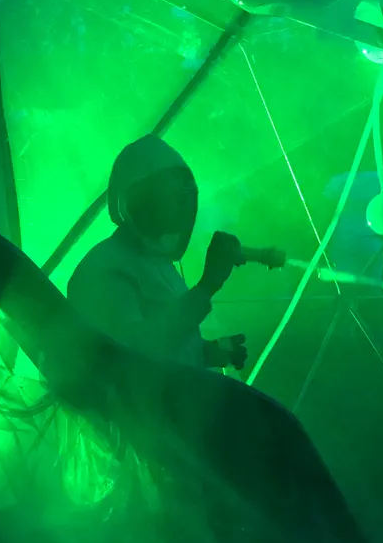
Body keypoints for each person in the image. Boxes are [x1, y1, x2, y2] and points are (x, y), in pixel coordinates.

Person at [66, 135, 260, 371]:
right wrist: (207, 285)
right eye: (169, 194)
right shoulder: (103, 267)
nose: (180, 208)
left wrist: (207, 352)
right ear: (136, 200)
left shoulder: (160, 266)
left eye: (184, 196)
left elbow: (168, 344)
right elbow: (131, 355)